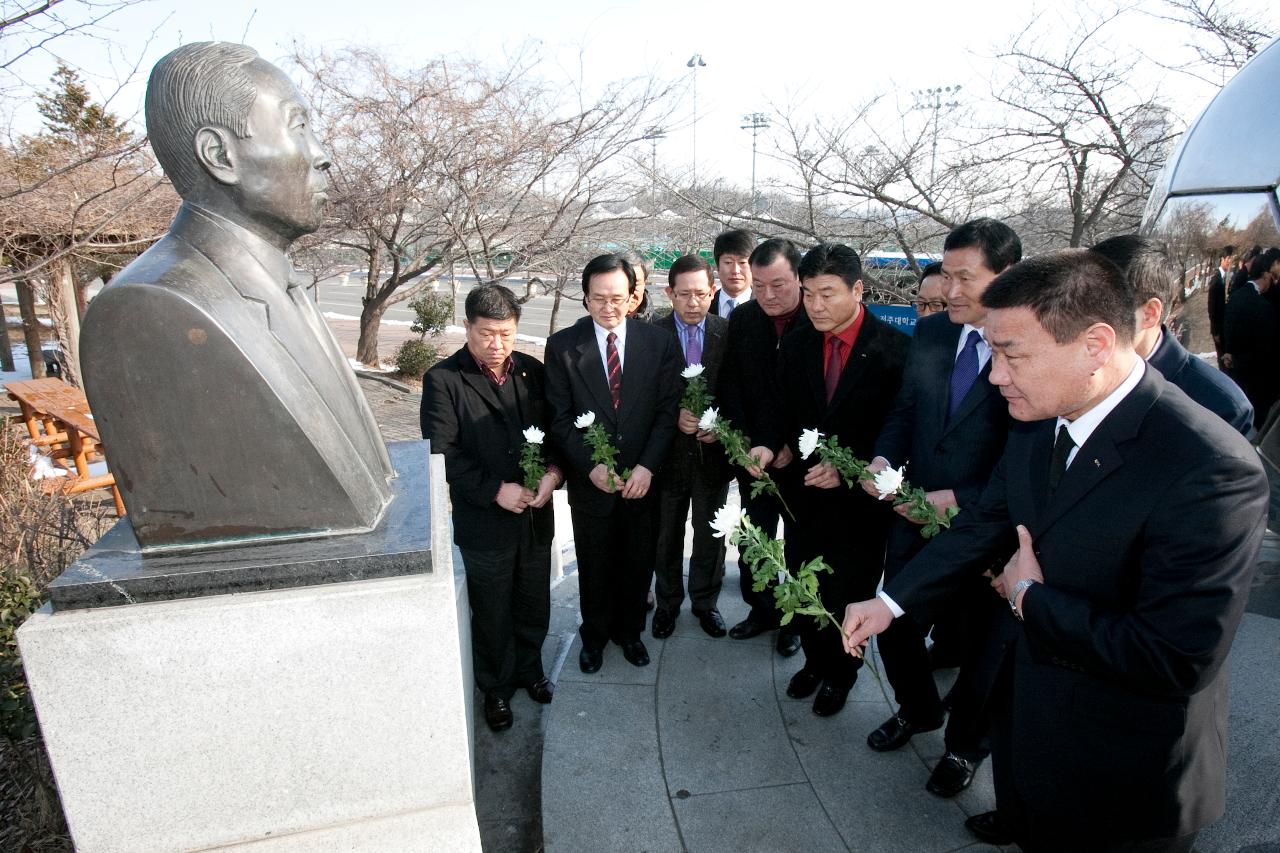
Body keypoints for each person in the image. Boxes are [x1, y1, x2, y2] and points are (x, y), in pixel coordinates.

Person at [842, 248, 1268, 853]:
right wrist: (891, 601)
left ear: (1095, 345)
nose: (994, 375)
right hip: (1032, 732)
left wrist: (1028, 598)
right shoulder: (1040, 417)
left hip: (1122, 775)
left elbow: (1176, 657)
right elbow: (987, 520)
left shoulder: (1211, 468)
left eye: (1010, 354)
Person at [79, 41, 394, 548]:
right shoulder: (150, 308)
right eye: (298, 128)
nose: (321, 154)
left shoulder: (277, 282)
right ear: (220, 155)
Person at [862, 218, 1022, 798]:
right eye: (946, 276)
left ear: (1006, 275)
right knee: (895, 627)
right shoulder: (930, 337)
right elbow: (906, 413)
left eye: (965, 278)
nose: (950, 292)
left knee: (981, 651)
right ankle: (918, 711)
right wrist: (884, 461)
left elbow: (1024, 463)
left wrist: (962, 499)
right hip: (912, 516)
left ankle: (963, 748)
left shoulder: (1026, 348)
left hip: (985, 533)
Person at [774, 243, 908, 717]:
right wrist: (781, 445)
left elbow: (898, 429)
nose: (814, 305)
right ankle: (814, 660)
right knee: (803, 581)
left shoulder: (894, 349)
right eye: (808, 294)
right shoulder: (796, 342)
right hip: (804, 494)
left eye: (827, 294)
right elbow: (787, 410)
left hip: (861, 507)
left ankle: (841, 673)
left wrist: (850, 472)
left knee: (849, 591)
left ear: (857, 289)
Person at [420, 285, 562, 731]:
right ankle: (496, 689)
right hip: (485, 518)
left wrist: (553, 476)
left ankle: (530, 669)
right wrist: (495, 490)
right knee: (492, 609)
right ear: (466, 327)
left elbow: (558, 436)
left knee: (533, 600)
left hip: (536, 513)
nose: (496, 344)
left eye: (506, 333)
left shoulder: (534, 373)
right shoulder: (443, 380)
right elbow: (443, 453)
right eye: (486, 334)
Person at [544, 254, 682, 674]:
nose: (609, 307)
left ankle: (630, 633)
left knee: (638, 563)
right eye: (599, 298)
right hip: (592, 485)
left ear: (634, 297)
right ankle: (595, 636)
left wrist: (647, 468)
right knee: (594, 564)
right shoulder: (564, 346)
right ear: (585, 298)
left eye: (618, 298)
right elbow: (559, 417)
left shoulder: (657, 342)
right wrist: (590, 466)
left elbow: (666, 411)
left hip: (642, 480)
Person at [717, 237, 810, 657]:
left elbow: (816, 396)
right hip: (752, 454)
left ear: (800, 279)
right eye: (759, 286)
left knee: (799, 541)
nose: (768, 296)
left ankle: (796, 617)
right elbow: (733, 385)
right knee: (755, 534)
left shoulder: (815, 319)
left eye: (779, 285)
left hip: (801, 458)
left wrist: (788, 443)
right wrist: (746, 442)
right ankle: (762, 609)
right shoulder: (746, 319)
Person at [1092, 235, 1254, 437]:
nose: (1082, 322)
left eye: (1101, 307)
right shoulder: (1067, 377)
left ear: (1149, 313)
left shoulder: (1218, 405)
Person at [649, 255, 732, 639]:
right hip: (666, 459)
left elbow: (739, 391)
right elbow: (642, 398)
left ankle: (705, 602)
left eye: (702, 293)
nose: (694, 302)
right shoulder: (651, 334)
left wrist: (721, 422)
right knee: (665, 533)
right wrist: (672, 418)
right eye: (685, 295)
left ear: (713, 291)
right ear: (670, 293)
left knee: (710, 532)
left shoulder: (728, 332)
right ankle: (667, 603)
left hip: (712, 455)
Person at [1223, 247, 1280, 430]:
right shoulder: (1264, 307)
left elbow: (1227, 328)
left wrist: (1230, 355)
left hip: (1235, 371)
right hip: (1257, 376)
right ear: (1264, 276)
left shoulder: (1236, 296)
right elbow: (1265, 349)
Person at [709, 229, 754, 318]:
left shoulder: (767, 306)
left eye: (742, 262)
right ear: (718, 267)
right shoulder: (704, 306)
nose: (735, 270)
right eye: (728, 262)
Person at [1205, 244, 1235, 366]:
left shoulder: (1221, 277)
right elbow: (1211, 308)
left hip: (1221, 325)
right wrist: (1215, 331)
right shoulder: (1216, 280)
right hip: (1218, 328)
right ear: (1222, 259)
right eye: (1228, 259)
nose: (1229, 262)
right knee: (1222, 357)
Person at [623, 250, 656, 322]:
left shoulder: (661, 328)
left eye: (636, 283)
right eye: (623, 284)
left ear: (645, 283)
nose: (629, 292)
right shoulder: (597, 325)